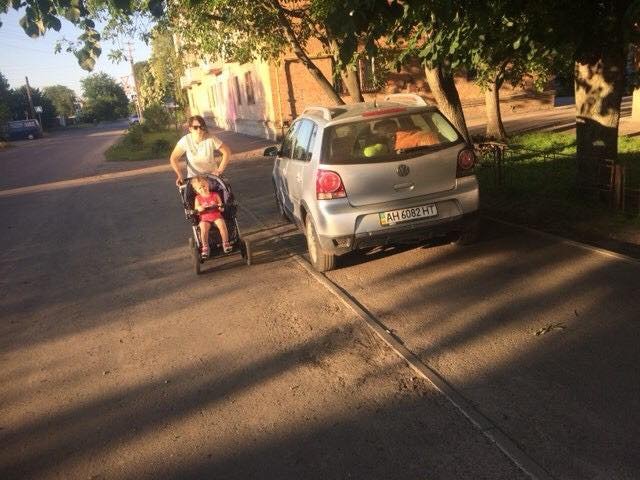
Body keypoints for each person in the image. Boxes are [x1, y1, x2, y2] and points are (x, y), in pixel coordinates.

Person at [169, 115, 232, 185]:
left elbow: (227, 152)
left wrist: (219, 170)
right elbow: (173, 158)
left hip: (211, 177)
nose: (199, 130)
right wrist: (179, 175)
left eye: (201, 127)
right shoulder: (185, 140)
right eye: (195, 127)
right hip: (194, 179)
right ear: (190, 129)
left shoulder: (211, 139)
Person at [191, 176, 232, 257]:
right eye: (200, 188)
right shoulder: (198, 198)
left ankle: (225, 243)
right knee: (203, 228)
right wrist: (199, 208)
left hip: (217, 216)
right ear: (196, 190)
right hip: (205, 219)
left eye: (204, 186)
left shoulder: (215, 195)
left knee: (222, 224)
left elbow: (221, 206)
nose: (203, 189)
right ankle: (205, 247)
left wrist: (220, 207)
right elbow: (196, 209)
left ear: (208, 184)